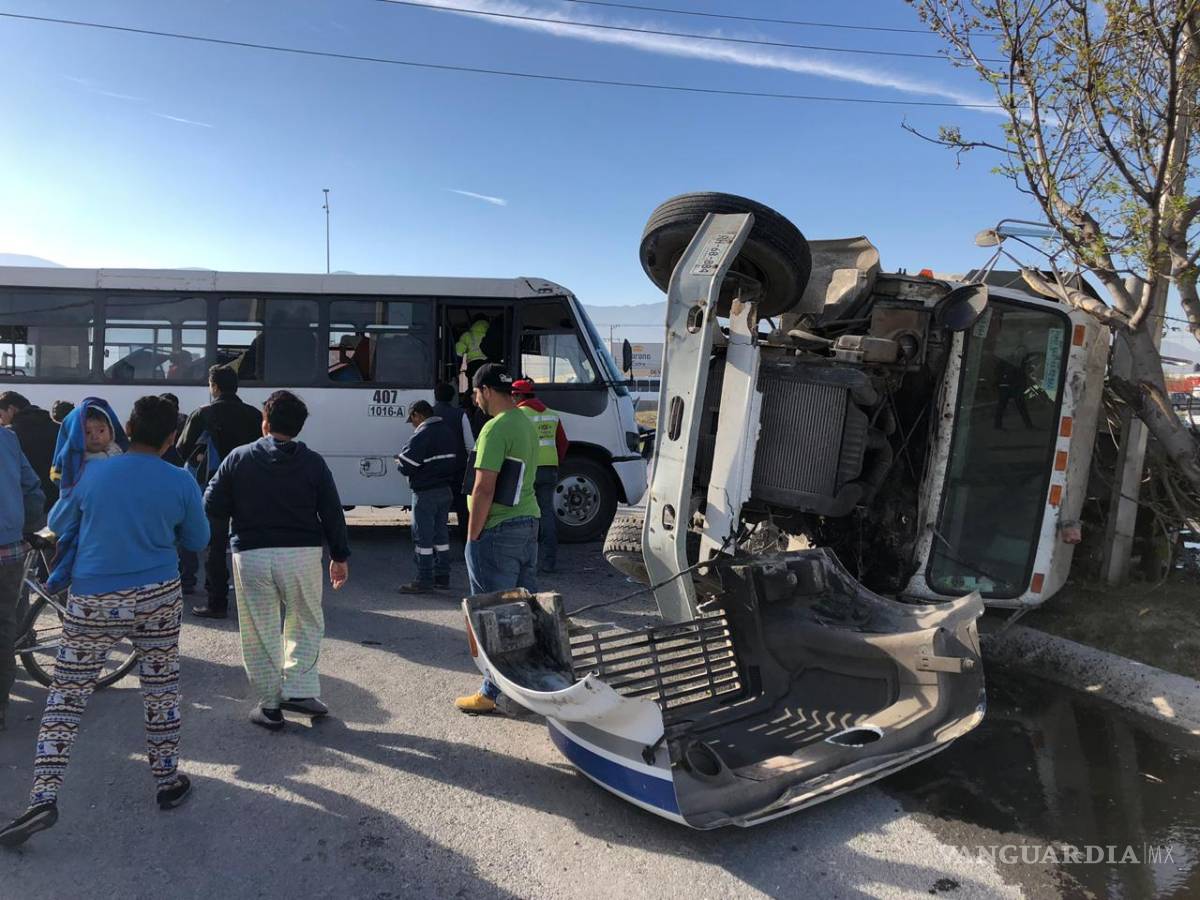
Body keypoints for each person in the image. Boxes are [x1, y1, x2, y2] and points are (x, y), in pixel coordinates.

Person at [0, 396, 208, 847]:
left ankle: (43, 798)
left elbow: (59, 521)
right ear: (172, 437)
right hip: (158, 595)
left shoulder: (90, 477)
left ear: (127, 428)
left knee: (67, 696)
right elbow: (197, 538)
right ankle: (168, 782)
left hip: (94, 597)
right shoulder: (180, 480)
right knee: (160, 687)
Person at [203, 390, 350, 730]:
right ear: (299, 427)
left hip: (251, 554)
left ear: (264, 422)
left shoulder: (238, 458)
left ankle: (270, 706)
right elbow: (331, 512)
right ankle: (299, 690)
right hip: (301, 554)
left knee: (260, 628)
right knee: (306, 620)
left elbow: (211, 504)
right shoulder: (313, 462)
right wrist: (339, 556)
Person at [453, 364, 542, 715]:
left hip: (498, 530)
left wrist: (473, 535)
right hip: (528, 523)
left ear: (487, 390)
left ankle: (491, 692)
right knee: (522, 610)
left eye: (476, 393)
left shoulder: (495, 427)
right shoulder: (526, 423)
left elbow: (484, 486)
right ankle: (527, 686)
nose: (476, 400)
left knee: (492, 614)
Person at [177, 365, 265, 619]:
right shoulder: (254, 415)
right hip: (249, 488)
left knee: (215, 546)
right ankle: (257, 602)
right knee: (249, 545)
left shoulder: (203, 413)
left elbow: (183, 450)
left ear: (214, 386)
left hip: (214, 489)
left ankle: (216, 602)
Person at [0, 427, 45, 734]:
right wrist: (27, 529)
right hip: (8, 547)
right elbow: (32, 488)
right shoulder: (7, 438)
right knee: (3, 625)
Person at [395, 400, 458, 593]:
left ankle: (424, 579)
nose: (412, 424)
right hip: (445, 491)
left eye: (412, 419)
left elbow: (406, 465)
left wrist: (397, 461)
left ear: (417, 415)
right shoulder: (447, 432)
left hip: (425, 493)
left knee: (423, 537)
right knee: (441, 535)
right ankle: (442, 576)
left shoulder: (422, 434)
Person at [512, 379, 568, 574]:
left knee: (523, 514)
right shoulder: (552, 415)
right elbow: (563, 443)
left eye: (513, 395)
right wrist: (555, 462)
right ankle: (548, 562)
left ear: (519, 396)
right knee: (546, 514)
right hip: (549, 469)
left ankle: (525, 562)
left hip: (528, 470)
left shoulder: (518, 415)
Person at [159, 394, 199, 595]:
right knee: (185, 534)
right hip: (181, 482)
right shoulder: (187, 420)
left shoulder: (153, 424)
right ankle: (188, 578)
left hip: (158, 485)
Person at [0, 391, 60, 507]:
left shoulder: (10, 435)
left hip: (27, 504)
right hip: (57, 500)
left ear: (12, 409)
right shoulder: (58, 429)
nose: (1, 421)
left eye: (1, 415)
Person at [432, 382, 475, 541]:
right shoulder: (460, 414)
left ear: (435, 396)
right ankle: (466, 541)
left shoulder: (429, 414)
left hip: (436, 469)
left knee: (438, 509)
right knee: (462, 508)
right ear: (452, 397)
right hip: (458, 469)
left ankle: (440, 545)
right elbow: (470, 445)